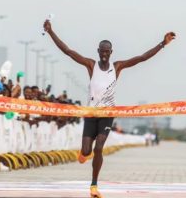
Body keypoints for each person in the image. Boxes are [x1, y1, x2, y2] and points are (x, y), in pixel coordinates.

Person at [43, 20, 175, 198]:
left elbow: (142, 58)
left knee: (98, 149)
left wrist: (162, 44)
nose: (104, 54)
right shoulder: (91, 65)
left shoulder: (117, 67)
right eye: (102, 51)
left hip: (107, 115)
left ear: (111, 53)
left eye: (107, 51)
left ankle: (94, 186)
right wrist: (51, 32)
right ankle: (83, 153)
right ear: (98, 51)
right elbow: (68, 52)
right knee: (87, 151)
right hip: (91, 114)